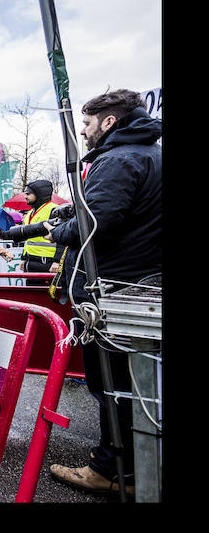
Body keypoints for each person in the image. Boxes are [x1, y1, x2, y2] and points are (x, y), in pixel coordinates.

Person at [45, 88, 161, 497]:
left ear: (109, 121)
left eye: (88, 123)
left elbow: (94, 224)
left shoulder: (119, 159)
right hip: (139, 289)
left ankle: (111, 470)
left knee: (112, 385)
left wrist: (56, 231)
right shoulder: (152, 155)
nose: (83, 130)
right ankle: (139, 465)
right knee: (140, 386)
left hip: (113, 293)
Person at [0, 180, 63, 285]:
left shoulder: (54, 210)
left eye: (28, 194)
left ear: (39, 194)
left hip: (48, 263)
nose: (25, 197)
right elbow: (28, 239)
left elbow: (62, 238)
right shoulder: (30, 213)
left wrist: (57, 261)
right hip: (31, 262)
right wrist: (24, 258)